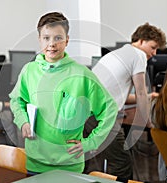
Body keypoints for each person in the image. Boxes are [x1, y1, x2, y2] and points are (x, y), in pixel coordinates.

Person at [9, 12, 118, 174]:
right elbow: (16, 100)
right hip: (35, 163)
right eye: (46, 38)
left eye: (58, 38)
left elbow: (110, 108)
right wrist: (23, 121)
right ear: (39, 39)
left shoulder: (81, 74)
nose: (52, 44)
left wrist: (90, 142)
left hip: (69, 165)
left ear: (67, 40)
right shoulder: (29, 71)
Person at [84, 22, 167, 179]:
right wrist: (148, 122)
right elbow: (141, 92)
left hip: (84, 114)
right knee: (121, 163)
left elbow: (118, 94)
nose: (154, 53)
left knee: (82, 163)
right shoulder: (139, 55)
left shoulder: (116, 54)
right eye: (153, 47)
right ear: (141, 41)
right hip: (101, 116)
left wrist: (149, 97)